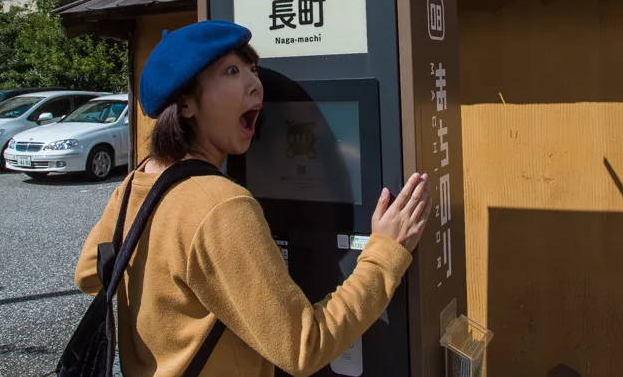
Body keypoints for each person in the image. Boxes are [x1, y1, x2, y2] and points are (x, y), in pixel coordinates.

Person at [75, 20, 432, 377]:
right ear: (185, 103)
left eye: (252, 68)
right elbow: (303, 347)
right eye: (231, 71)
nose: (254, 84)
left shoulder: (137, 183)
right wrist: (385, 253)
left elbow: (90, 274)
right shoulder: (221, 206)